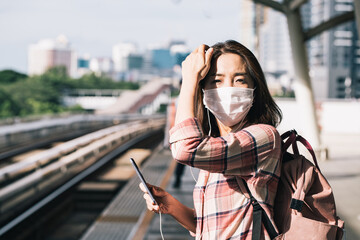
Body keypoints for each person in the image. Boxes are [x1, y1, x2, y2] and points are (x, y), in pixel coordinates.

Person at [139, 40, 282, 239]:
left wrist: (189, 80)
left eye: (239, 80)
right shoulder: (215, 145)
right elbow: (210, 226)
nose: (228, 89)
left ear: (255, 89)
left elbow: (184, 149)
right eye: (217, 81)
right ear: (205, 91)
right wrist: (171, 205)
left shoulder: (264, 136)